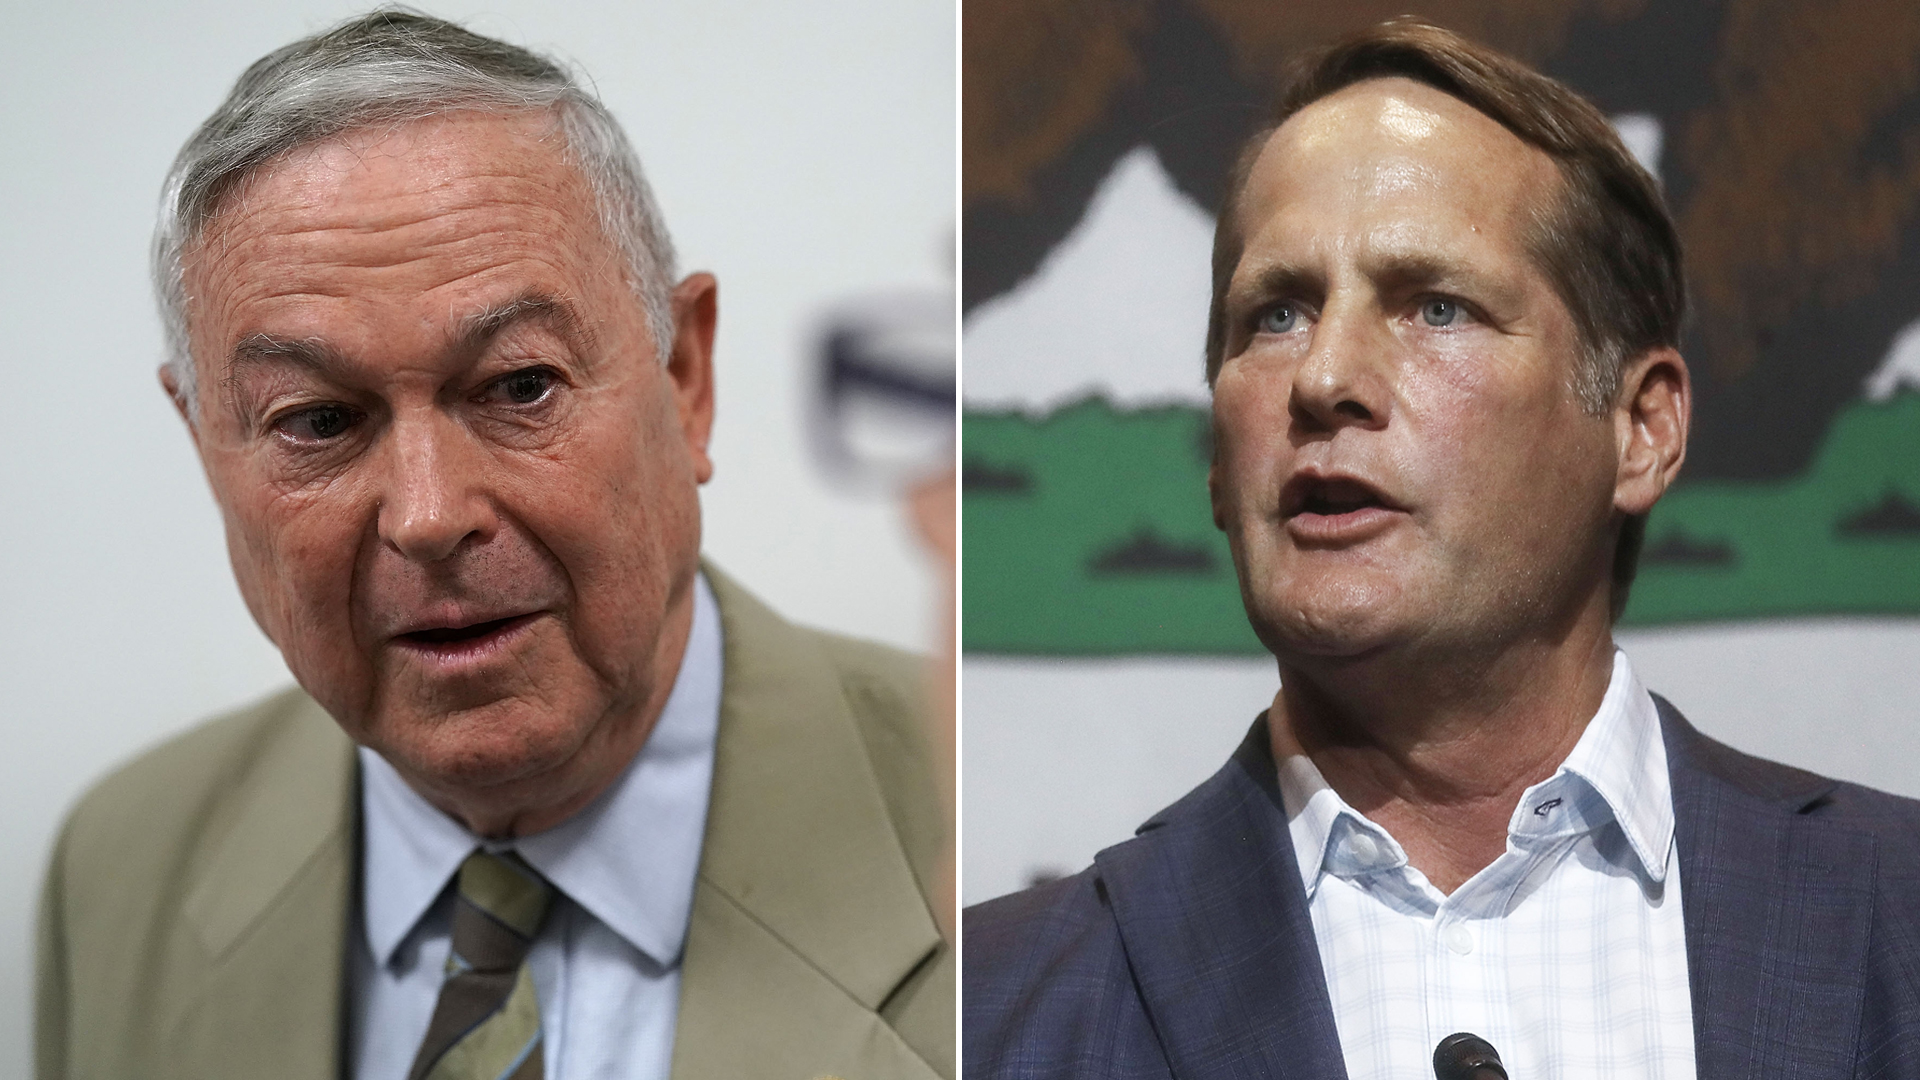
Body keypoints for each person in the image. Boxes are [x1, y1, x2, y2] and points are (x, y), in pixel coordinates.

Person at [964, 18, 1920, 1079]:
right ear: (1216, 464)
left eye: (1436, 307)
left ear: (1642, 429)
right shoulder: (993, 1011)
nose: (1323, 377)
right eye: (1275, 314)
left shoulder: (1895, 914)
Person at [35, 11, 951, 1080]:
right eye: (320, 422)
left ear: (685, 379)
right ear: (205, 447)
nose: (427, 516)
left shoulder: (957, 819)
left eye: (520, 388)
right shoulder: (118, 870)